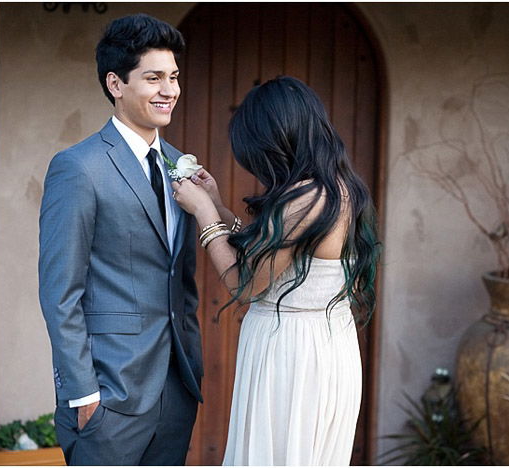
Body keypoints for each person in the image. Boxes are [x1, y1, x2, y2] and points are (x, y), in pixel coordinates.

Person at [172, 76, 380, 465]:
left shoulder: (306, 199)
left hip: (295, 352)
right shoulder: (334, 187)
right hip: (323, 342)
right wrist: (217, 205)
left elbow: (245, 283)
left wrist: (202, 214)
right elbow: (268, 257)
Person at [38, 14, 202, 465]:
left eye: (172, 77)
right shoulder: (79, 167)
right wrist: (82, 393)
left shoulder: (179, 164)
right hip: (108, 395)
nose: (169, 89)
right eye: (153, 78)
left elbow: (180, 279)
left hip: (175, 388)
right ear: (115, 83)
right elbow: (60, 291)